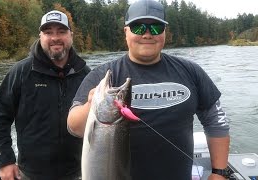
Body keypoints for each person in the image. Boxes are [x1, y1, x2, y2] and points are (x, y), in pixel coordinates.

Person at [67, 0, 230, 179]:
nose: (147, 34)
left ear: (164, 32)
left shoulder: (191, 71)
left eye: (155, 28)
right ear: (126, 32)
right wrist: (91, 103)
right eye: (138, 27)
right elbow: (74, 127)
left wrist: (219, 172)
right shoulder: (101, 76)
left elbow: (215, 121)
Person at [0, 10, 90, 180]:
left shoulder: (85, 74)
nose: (55, 37)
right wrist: (4, 160)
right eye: (48, 32)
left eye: (61, 31)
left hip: (78, 172)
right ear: (40, 36)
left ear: (71, 35)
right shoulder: (21, 72)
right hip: (31, 173)